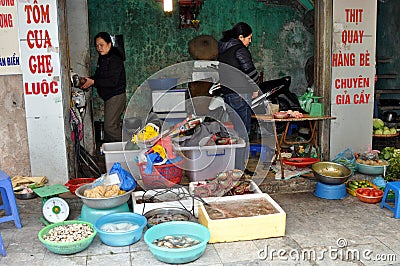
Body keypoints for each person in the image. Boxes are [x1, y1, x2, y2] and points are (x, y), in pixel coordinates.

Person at [218, 22, 260, 174]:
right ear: (240, 37)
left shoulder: (223, 50)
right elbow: (250, 72)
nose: (250, 42)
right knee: (243, 133)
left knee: (235, 133)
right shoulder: (240, 50)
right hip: (241, 94)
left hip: (228, 95)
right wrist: (255, 88)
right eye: (249, 38)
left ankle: (233, 166)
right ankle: (239, 169)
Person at [81, 32, 126, 142]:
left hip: (116, 96)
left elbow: (112, 81)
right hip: (109, 97)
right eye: (97, 46)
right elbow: (99, 76)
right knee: (112, 127)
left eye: (102, 45)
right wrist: (89, 80)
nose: (99, 48)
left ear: (109, 44)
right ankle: (117, 152)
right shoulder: (103, 58)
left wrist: (93, 82)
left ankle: (132, 145)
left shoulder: (115, 60)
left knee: (109, 127)